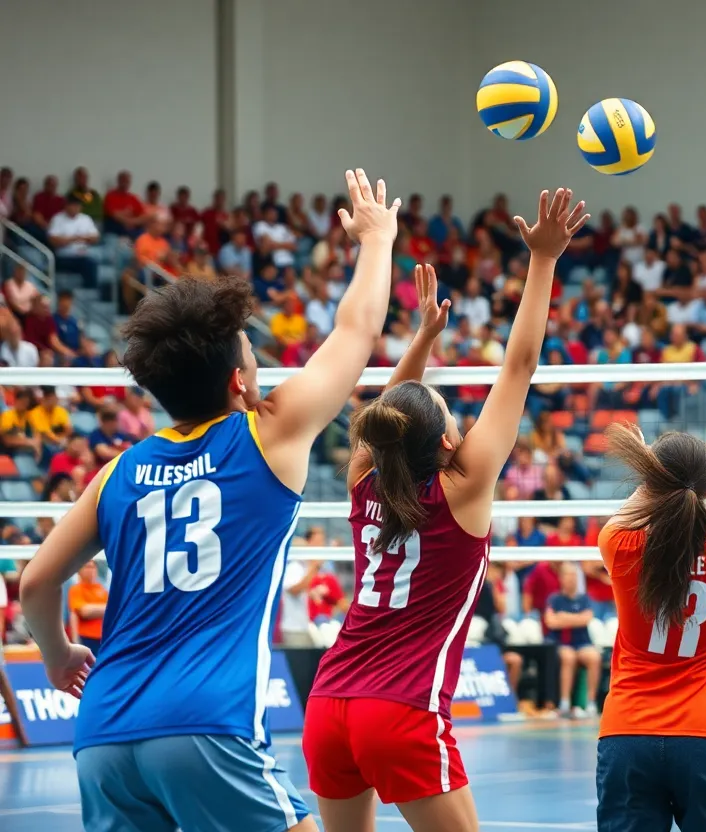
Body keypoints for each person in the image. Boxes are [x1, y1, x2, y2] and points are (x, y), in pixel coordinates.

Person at [19, 168, 402, 832]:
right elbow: (357, 329)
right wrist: (378, 239)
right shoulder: (268, 433)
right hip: (207, 727)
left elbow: (36, 582)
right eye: (254, 358)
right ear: (238, 381)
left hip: (103, 734)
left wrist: (59, 657)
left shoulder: (116, 472)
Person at [302, 189, 589, 832]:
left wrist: (423, 341)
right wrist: (542, 260)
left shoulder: (362, 479)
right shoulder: (463, 489)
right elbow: (519, 365)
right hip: (400, 709)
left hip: (327, 704)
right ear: (449, 444)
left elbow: (388, 416)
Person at [596, 424, 706, 832]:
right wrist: (694, 495)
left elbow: (626, 515)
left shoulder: (620, 546)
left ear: (650, 484)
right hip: (705, 734)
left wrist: (656, 477)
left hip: (628, 732)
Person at [545, 561, 603, 717]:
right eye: (568, 576)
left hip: (582, 642)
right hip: (562, 643)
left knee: (594, 657)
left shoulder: (584, 598)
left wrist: (563, 617)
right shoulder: (554, 599)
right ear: (561, 578)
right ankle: (565, 703)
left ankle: (591, 703)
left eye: (574, 576)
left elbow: (586, 618)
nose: (572, 579)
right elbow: (550, 622)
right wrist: (575, 618)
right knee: (569, 657)